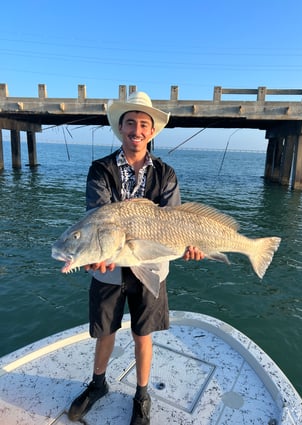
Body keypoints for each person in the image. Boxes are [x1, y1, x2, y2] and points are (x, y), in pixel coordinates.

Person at [67, 91, 204, 424]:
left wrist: (192, 245)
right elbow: (96, 218)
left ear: (152, 131)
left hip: (151, 268)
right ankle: (98, 384)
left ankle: (142, 395)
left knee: (143, 335)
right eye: (131, 123)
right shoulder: (100, 170)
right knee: (105, 331)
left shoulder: (167, 174)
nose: (137, 130)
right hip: (109, 269)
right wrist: (96, 253)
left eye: (144, 124)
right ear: (121, 128)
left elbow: (176, 220)